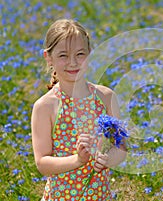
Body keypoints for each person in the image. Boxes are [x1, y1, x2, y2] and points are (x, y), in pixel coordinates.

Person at [31, 19, 126, 200]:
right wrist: (78, 160)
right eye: (63, 56)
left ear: (90, 54)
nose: (73, 62)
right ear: (48, 57)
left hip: (100, 196)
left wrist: (108, 159)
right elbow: (42, 162)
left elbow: (121, 148)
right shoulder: (45, 106)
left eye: (80, 54)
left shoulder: (106, 97)